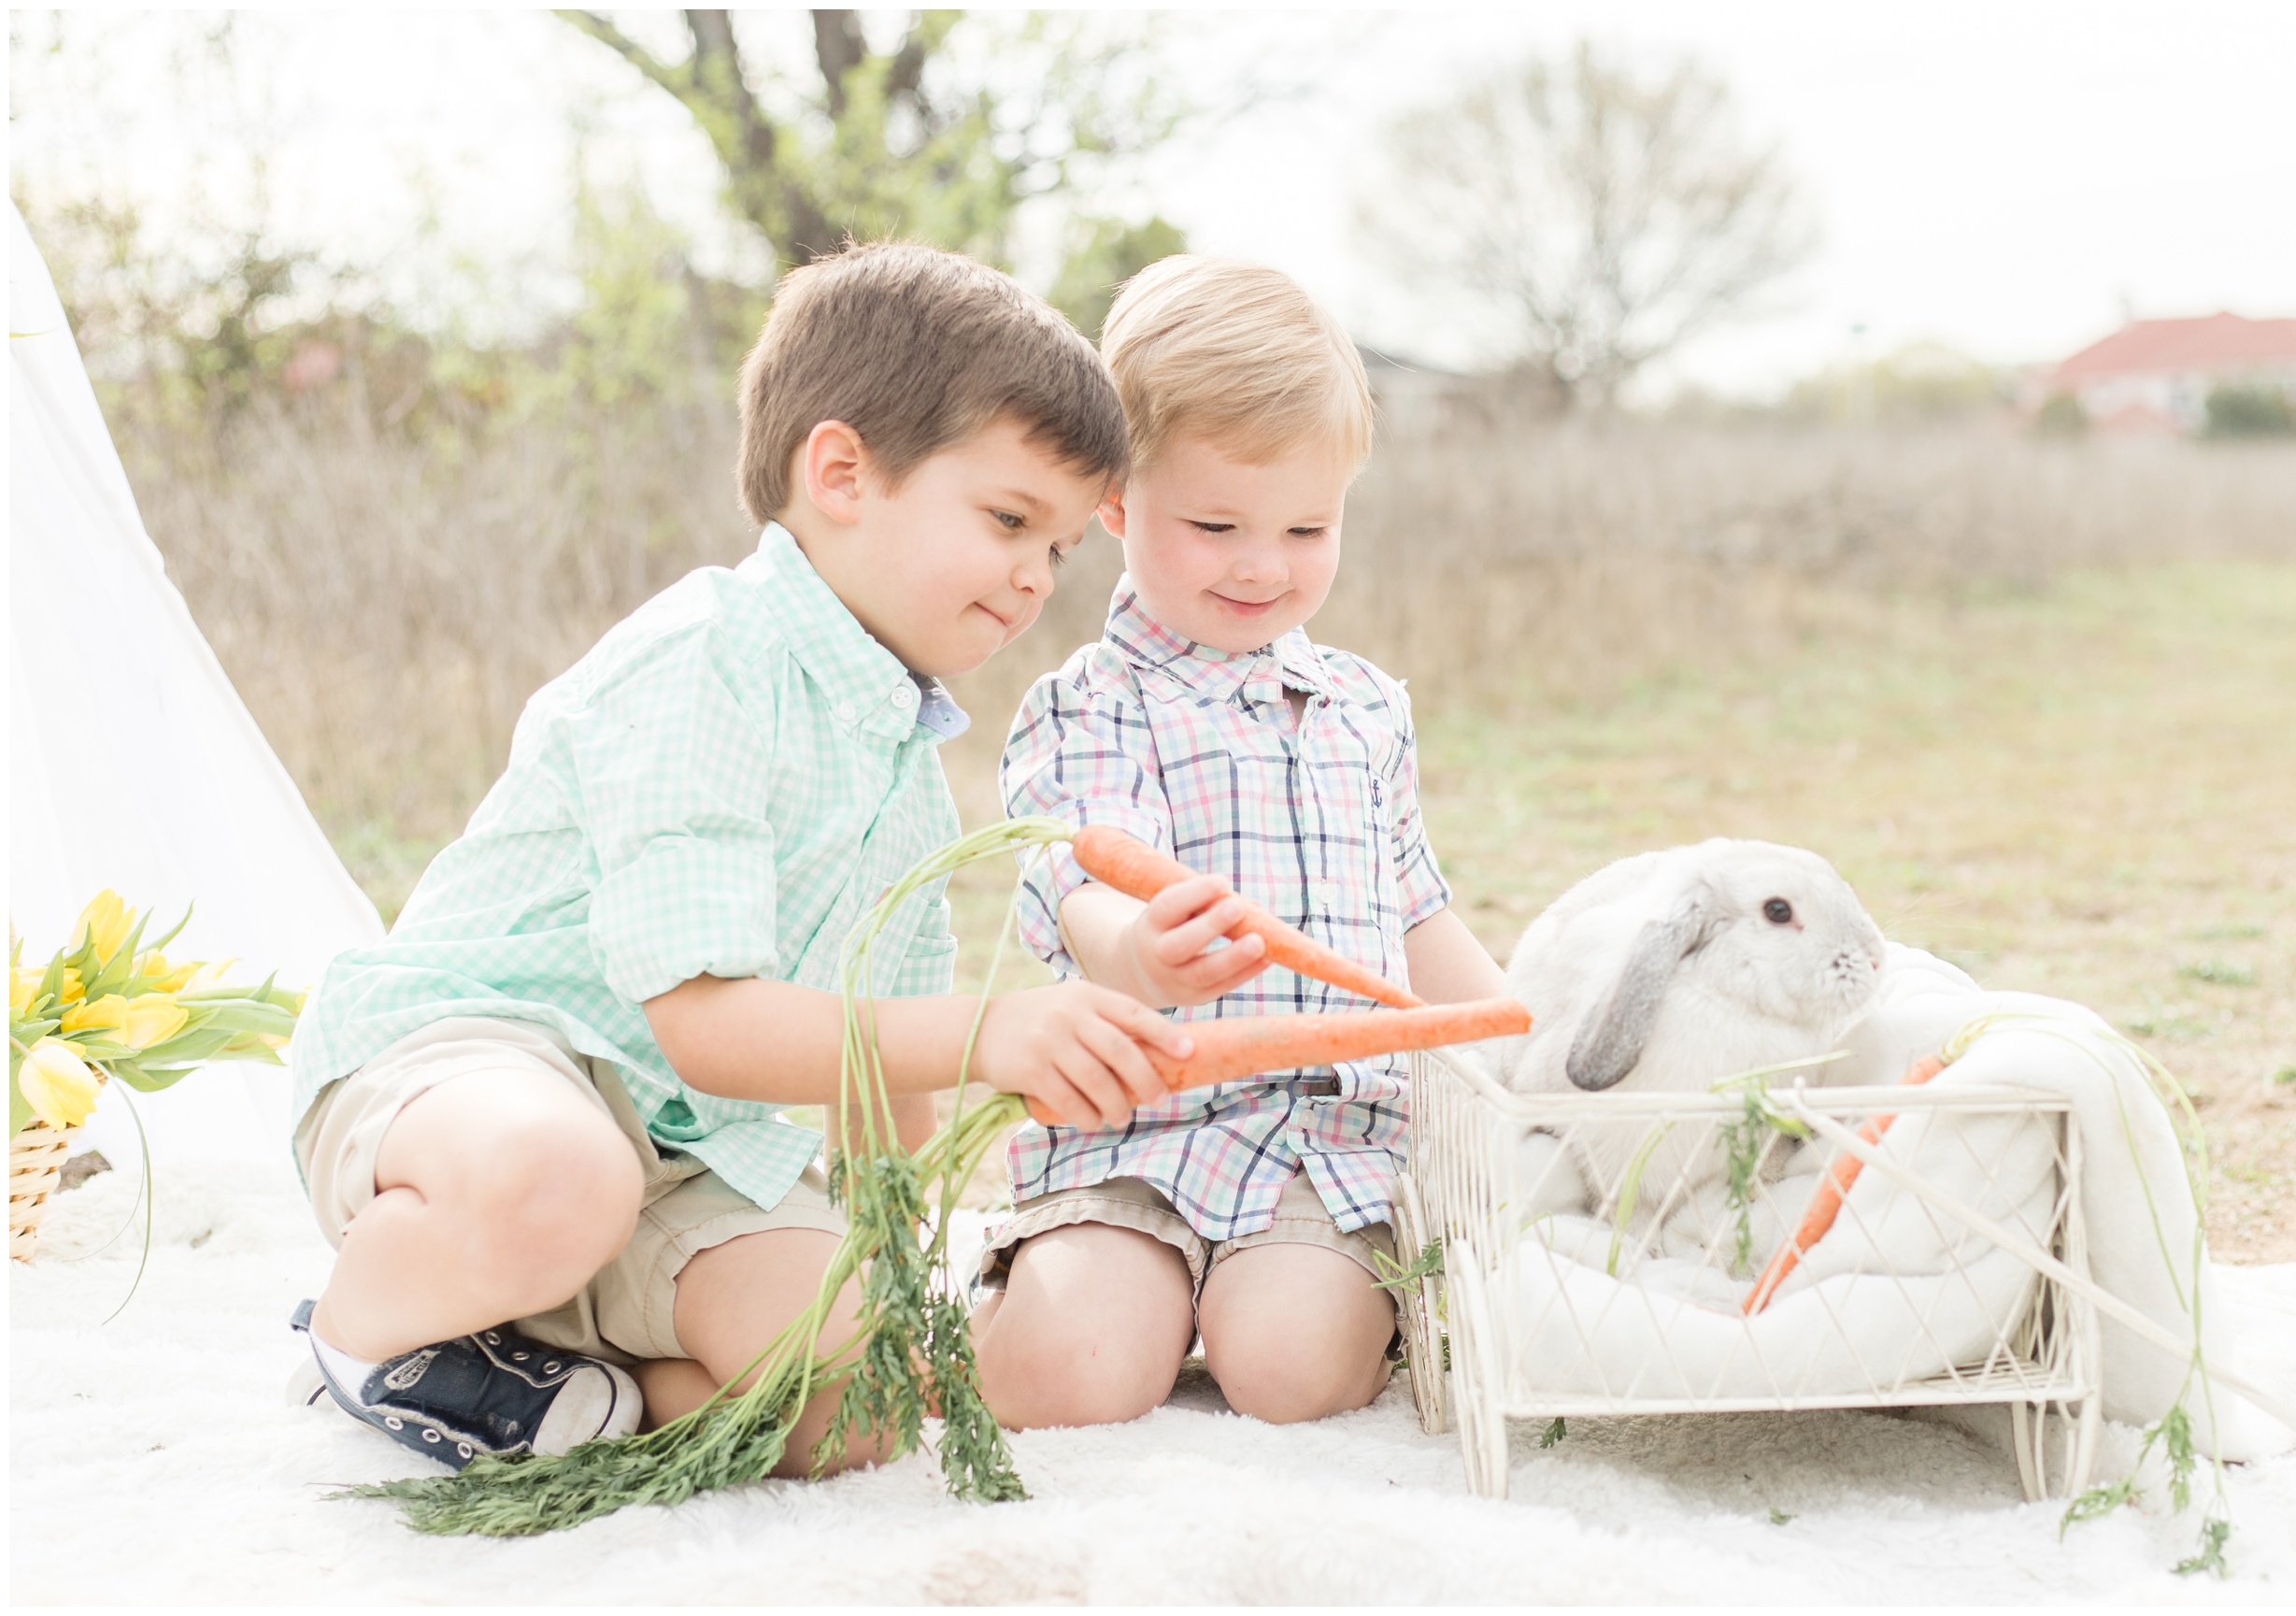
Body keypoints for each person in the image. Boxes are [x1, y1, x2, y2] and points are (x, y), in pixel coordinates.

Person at [283, 243, 1185, 1474]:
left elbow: (882, 1058)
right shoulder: (707, 659)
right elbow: (708, 1023)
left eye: (1060, 549)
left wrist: (892, 1241)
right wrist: (993, 1036)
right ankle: (367, 1332)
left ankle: (574, 1386)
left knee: (865, 1400)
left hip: (680, 1160)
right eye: (1008, 519)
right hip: (483, 1077)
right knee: (559, 1173)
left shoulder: (902, 763)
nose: (1034, 575)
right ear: (840, 472)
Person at [971, 256, 1507, 1428]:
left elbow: (1417, 918)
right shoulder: (1094, 705)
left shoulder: (1364, 708)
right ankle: (1018, 1306)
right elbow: (1080, 877)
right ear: (1115, 505)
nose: (1263, 564)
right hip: (1134, 1125)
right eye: (1215, 524)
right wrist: (1137, 948)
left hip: (1326, 1133)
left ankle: (1322, 1303)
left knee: (1292, 1372)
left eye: (1306, 526)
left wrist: (1520, 1048)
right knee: (1072, 1376)